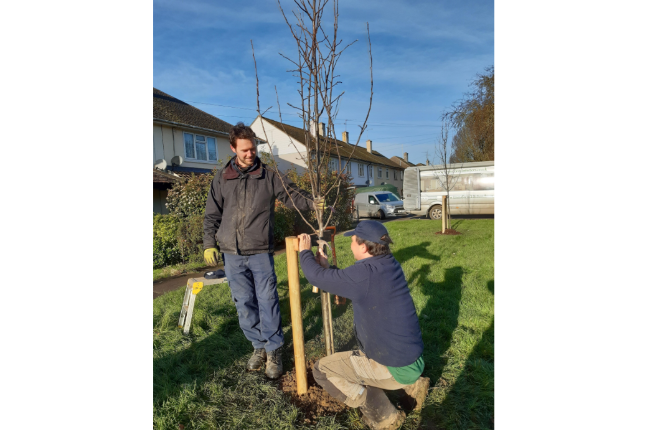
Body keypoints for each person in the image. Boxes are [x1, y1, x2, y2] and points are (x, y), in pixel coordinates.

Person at [203, 123, 324, 380]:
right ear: (233, 148)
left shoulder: (268, 175)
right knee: (244, 303)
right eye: (245, 150)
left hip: (259, 251)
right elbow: (211, 214)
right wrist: (208, 243)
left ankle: (274, 350)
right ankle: (258, 347)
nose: (250, 153)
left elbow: (291, 195)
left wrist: (313, 204)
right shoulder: (223, 177)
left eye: (253, 148)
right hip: (232, 253)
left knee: (268, 301)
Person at [298, 222, 430, 430]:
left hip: (393, 368)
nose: (350, 245)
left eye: (352, 241)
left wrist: (304, 252)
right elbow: (351, 282)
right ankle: (411, 386)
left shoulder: (365, 275)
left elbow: (315, 277)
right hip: (412, 360)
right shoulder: (388, 264)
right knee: (357, 364)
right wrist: (327, 268)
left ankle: (384, 416)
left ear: (364, 247)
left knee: (322, 371)